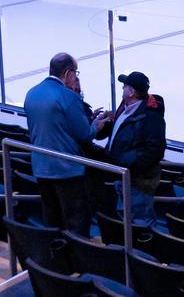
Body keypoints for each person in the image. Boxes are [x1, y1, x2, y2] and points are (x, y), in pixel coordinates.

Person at [24, 53, 112, 236]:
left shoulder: (31, 93)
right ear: (68, 72)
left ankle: (57, 261)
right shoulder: (67, 96)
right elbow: (84, 134)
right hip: (67, 171)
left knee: (52, 220)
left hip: (41, 168)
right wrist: (96, 125)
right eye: (75, 72)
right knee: (76, 223)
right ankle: (78, 263)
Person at [97, 72, 166, 225]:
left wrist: (132, 168)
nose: (122, 88)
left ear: (131, 92)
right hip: (120, 175)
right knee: (124, 221)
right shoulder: (125, 106)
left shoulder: (151, 116)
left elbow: (156, 149)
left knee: (140, 223)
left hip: (138, 182)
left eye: (125, 86)